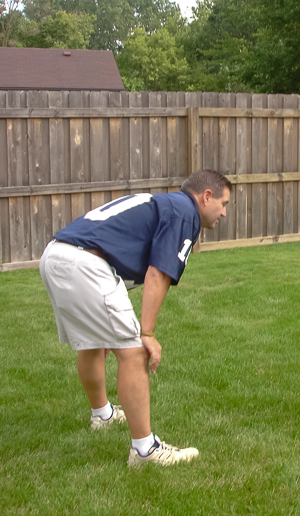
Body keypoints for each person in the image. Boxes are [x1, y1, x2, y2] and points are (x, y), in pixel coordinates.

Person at [39, 169, 232, 467]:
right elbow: (159, 273)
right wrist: (147, 333)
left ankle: (102, 415)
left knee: (92, 344)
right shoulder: (184, 212)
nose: (223, 213)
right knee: (133, 352)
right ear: (206, 197)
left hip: (55, 255)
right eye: (224, 204)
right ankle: (145, 451)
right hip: (86, 263)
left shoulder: (164, 203)